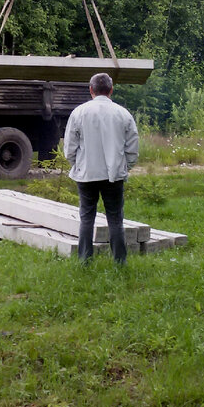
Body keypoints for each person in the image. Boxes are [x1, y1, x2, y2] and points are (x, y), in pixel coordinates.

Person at [63, 72, 140, 265]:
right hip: (114, 175)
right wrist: (125, 166)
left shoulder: (79, 112)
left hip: (86, 173)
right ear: (111, 90)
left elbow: (70, 147)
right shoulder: (123, 114)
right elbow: (132, 147)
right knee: (115, 218)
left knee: (87, 217)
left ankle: (84, 260)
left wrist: (77, 164)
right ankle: (120, 261)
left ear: (91, 90)